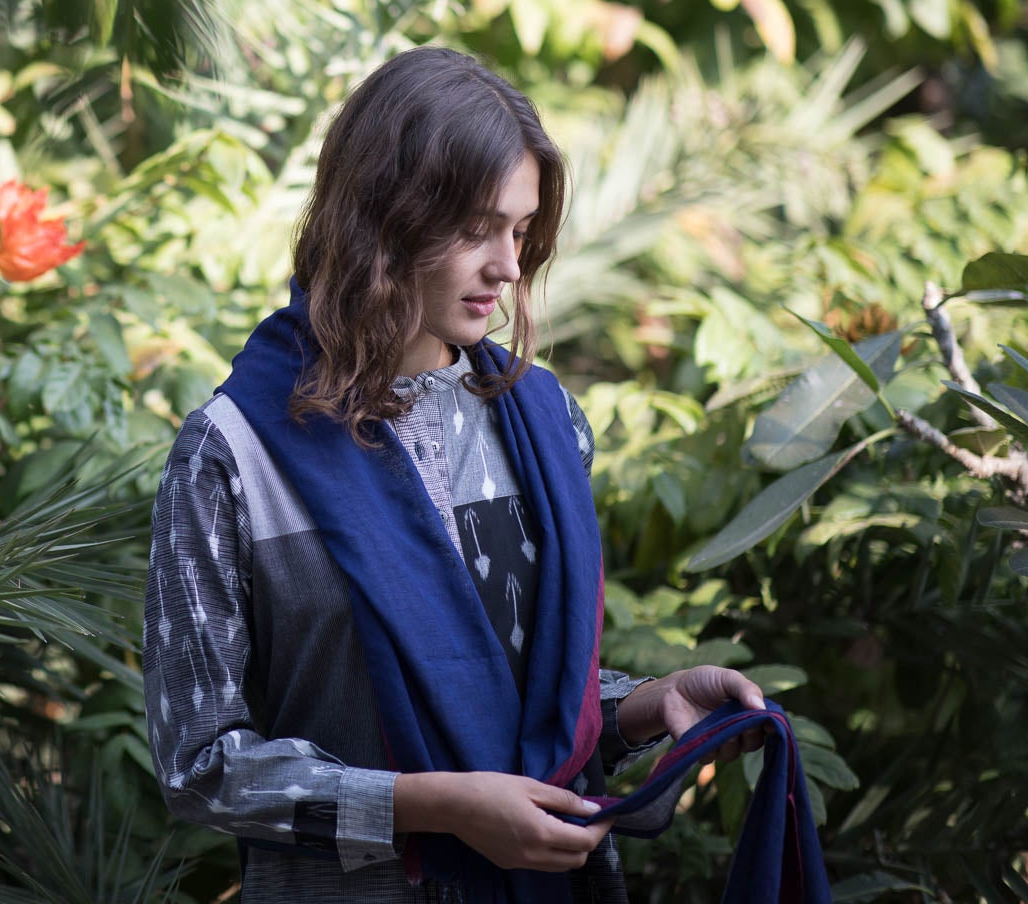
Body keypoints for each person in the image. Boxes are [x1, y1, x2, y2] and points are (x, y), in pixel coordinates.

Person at [142, 46, 766, 903]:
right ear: (381, 218)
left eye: (519, 230)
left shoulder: (546, 423)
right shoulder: (233, 454)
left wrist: (646, 707)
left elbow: (524, 706)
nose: (509, 266)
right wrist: (432, 807)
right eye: (476, 229)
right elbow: (199, 765)